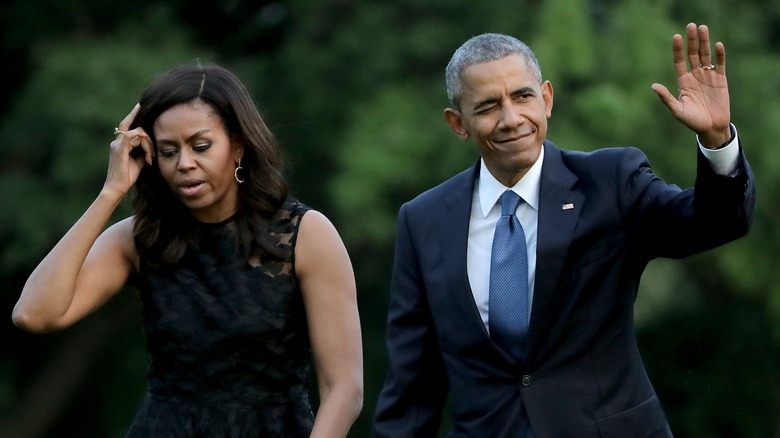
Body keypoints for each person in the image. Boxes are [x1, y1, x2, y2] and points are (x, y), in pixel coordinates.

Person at [372, 23, 755, 438]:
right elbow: (412, 386)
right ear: (458, 123)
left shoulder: (610, 181)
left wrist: (717, 141)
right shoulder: (423, 219)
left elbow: (713, 222)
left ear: (547, 98)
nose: (510, 118)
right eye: (486, 107)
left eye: (523, 96)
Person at [12, 64, 363, 437]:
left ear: (238, 145)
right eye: (167, 151)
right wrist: (111, 192)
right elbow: (34, 314)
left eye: (200, 146)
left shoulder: (305, 234)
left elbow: (345, 388)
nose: (184, 164)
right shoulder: (139, 238)